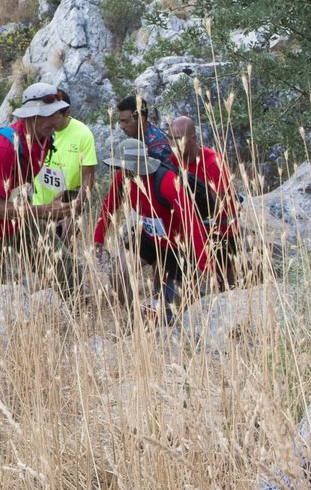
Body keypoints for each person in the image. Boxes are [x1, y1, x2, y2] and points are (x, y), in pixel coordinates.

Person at [0, 82, 73, 286]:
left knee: (65, 267)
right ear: (28, 116)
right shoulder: (3, 147)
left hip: (18, 221)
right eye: (48, 114)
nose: (55, 119)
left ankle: (77, 310)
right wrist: (45, 210)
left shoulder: (44, 139)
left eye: (57, 112)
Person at [92, 135, 209, 321]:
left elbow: (191, 222)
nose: (119, 171)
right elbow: (109, 204)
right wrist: (99, 237)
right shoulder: (124, 177)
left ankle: (169, 314)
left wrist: (204, 264)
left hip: (176, 246)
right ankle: (137, 320)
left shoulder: (167, 181)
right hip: (148, 235)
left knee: (172, 306)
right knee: (117, 275)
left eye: (122, 167)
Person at [169, 115, 243, 285]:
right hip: (193, 226)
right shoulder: (174, 159)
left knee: (226, 280)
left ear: (193, 138)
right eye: (170, 139)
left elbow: (221, 204)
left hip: (221, 229)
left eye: (178, 139)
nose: (173, 145)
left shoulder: (213, 162)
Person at [32, 88, 98, 216]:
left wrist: (76, 208)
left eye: (54, 116)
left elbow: (87, 177)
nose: (48, 121)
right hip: (39, 208)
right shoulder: (39, 130)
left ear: (67, 113)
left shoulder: (83, 134)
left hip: (66, 208)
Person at [117, 94, 175, 165]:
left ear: (141, 119)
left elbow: (170, 174)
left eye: (126, 121)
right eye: (121, 121)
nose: (121, 126)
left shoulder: (156, 147)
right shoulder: (139, 134)